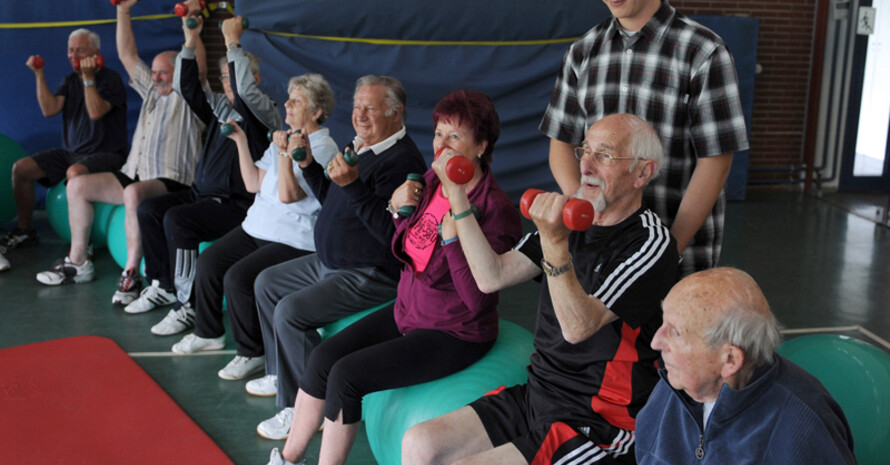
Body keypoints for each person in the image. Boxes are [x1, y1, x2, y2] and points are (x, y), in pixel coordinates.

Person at [402, 114, 679, 465]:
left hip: (599, 420)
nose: (587, 166)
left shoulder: (651, 243)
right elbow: (491, 276)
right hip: (538, 395)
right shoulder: (573, 219)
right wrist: (457, 195)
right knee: (419, 443)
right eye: (585, 151)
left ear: (642, 173)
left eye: (605, 156)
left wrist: (553, 243)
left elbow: (579, 327)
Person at [264, 89, 522, 465]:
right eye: (438, 134)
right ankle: (288, 459)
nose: (442, 145)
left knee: (347, 378)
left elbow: (478, 297)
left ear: (481, 146)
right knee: (323, 358)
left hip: (454, 331)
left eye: (455, 136)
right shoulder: (434, 182)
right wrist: (399, 210)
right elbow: (407, 251)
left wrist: (453, 235)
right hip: (410, 311)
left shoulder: (496, 209)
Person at [249, 75, 427, 440]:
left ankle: (302, 410)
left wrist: (353, 186)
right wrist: (312, 167)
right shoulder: (363, 144)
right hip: (330, 261)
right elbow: (335, 198)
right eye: (357, 106)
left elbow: (392, 234)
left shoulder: (402, 160)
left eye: (370, 108)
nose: (360, 115)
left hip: (370, 271)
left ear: (397, 113)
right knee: (266, 283)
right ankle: (281, 375)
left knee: (290, 312)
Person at [540, 0, 749, 277]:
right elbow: (561, 145)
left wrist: (668, 251)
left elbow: (716, 162)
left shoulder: (704, 51)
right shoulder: (582, 52)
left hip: (678, 250)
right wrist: (586, 212)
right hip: (598, 249)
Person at [34, 0, 204, 298]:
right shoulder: (151, 91)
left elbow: (198, 69)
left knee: (132, 194)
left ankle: (131, 272)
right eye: (154, 72)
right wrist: (123, 10)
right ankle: (78, 262)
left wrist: (190, 21)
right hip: (135, 172)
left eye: (164, 72)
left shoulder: (189, 96)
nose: (156, 77)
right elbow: (127, 54)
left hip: (172, 179)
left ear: (179, 73)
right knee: (76, 186)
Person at [168, 74, 338, 373]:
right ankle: (209, 333)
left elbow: (288, 196)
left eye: (296, 101)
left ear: (317, 111)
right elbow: (253, 183)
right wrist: (241, 141)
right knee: (209, 262)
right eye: (288, 98)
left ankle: (252, 352)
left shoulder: (323, 149)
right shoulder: (284, 137)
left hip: (292, 239)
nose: (286, 104)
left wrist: (285, 152)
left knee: (238, 278)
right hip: (257, 227)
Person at [126, 14, 281, 336]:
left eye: (233, 77)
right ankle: (164, 284)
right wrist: (189, 38)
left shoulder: (264, 112)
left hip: (237, 204)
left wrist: (231, 41)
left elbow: (245, 92)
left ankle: (188, 305)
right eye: (223, 77)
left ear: (255, 79)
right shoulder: (217, 108)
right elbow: (186, 85)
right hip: (202, 193)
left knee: (179, 220)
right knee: (150, 209)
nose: (227, 84)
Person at [635, 267, 856, 464]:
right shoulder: (674, 383)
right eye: (663, 323)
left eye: (676, 333)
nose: (656, 342)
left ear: (730, 360)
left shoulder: (802, 429)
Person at [2, 29, 127, 260]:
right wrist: (39, 74)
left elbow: (96, 112)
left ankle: (84, 243)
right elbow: (49, 109)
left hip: (107, 153)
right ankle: (25, 231)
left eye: (80, 49)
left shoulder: (111, 79)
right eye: (70, 50)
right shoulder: (70, 80)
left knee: (74, 173)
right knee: (21, 168)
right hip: (71, 152)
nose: (74, 55)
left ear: (95, 53)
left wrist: (89, 78)